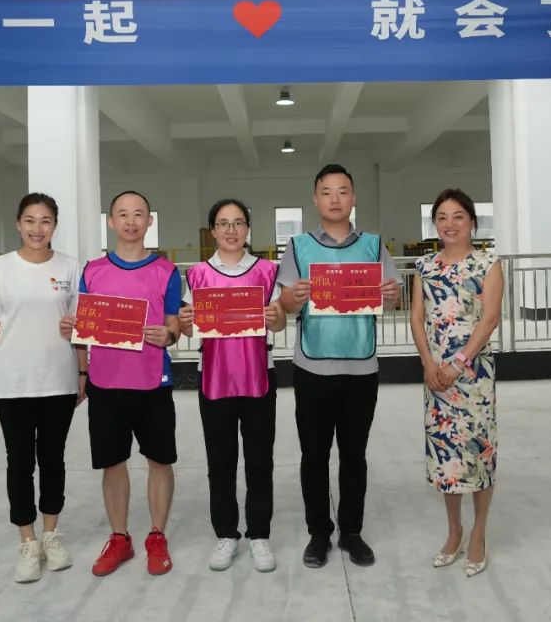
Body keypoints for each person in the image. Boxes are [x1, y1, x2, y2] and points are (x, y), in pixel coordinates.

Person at [278, 164, 401, 568]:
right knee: (313, 456)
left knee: (354, 455)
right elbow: (285, 304)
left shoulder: (374, 246)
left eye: (343, 191)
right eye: (327, 191)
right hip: (312, 368)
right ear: (315, 199)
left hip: (360, 368)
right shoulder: (297, 246)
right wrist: (295, 297)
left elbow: (392, 300)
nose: (335, 199)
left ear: (353, 198)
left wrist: (391, 294)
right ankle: (318, 533)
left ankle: (351, 532)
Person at [59, 191, 182, 577]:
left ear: (149, 221)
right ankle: (119, 537)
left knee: (160, 460)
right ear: (111, 222)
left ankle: (157, 535)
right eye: (123, 215)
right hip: (106, 383)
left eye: (139, 214)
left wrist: (169, 334)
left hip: (152, 382)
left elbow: (174, 324)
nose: (131, 221)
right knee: (112, 463)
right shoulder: (93, 271)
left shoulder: (167, 271)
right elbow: (83, 327)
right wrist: (75, 343)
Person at [0, 192, 84, 584]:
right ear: (19, 223)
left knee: (53, 459)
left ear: (55, 225)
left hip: (58, 378)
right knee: (19, 462)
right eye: (30, 220)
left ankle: (51, 534)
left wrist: (82, 373)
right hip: (12, 380)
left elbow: (81, 326)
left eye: (46, 221)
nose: (38, 229)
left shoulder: (70, 267)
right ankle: (27, 540)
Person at [178, 199, 287, 573]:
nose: (231, 230)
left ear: (247, 229)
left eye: (238, 222)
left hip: (259, 377)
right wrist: (186, 322)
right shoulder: (197, 275)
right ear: (213, 231)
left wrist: (275, 318)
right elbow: (190, 329)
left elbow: (279, 323)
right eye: (223, 223)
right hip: (214, 379)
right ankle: (226, 533)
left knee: (259, 460)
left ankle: (259, 534)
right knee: (220, 462)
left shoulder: (267, 271)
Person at [410, 188, 503, 577]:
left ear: (472, 223)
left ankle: (478, 533)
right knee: (446, 456)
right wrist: (429, 364)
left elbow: (489, 319)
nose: (449, 224)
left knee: (478, 454)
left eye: (458, 217)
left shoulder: (488, 264)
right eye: (442, 218)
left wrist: (458, 364)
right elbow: (417, 318)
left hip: (473, 377)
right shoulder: (425, 266)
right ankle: (454, 532)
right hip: (436, 379)